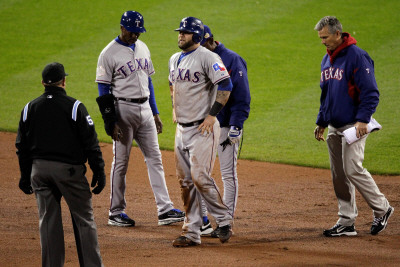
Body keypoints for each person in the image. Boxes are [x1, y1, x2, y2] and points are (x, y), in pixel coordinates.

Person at [95, 11, 184, 227]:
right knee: (121, 162)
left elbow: (149, 81)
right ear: (122, 28)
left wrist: (155, 112)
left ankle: (164, 210)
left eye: (138, 32)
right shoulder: (108, 53)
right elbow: (103, 89)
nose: (135, 36)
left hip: (145, 108)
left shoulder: (142, 47)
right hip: (122, 109)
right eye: (132, 32)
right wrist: (110, 121)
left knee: (155, 158)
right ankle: (115, 212)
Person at [16, 62, 105, 266]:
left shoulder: (29, 108)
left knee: (48, 222)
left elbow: (22, 146)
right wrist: (98, 170)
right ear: (63, 81)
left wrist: (24, 175)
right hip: (69, 173)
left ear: (43, 83)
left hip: (39, 171)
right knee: (84, 220)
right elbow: (91, 143)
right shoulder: (74, 107)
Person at [313, 16, 393, 237]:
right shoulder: (326, 59)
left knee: (352, 168)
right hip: (334, 125)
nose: (322, 41)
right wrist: (321, 121)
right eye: (320, 37)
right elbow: (326, 95)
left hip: (353, 125)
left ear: (338, 34)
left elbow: (370, 92)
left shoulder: (358, 57)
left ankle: (382, 208)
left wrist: (363, 120)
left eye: (325, 37)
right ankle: (346, 221)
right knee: (339, 174)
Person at [169, 16, 234, 247]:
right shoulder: (174, 59)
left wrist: (212, 115)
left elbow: (226, 85)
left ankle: (224, 220)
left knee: (200, 178)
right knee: (185, 182)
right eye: (180, 32)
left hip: (202, 128)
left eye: (185, 33)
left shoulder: (209, 57)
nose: (180, 35)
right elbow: (172, 84)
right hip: (181, 129)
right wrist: (175, 106)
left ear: (196, 36)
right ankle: (191, 232)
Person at [199, 25, 251, 237]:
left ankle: (225, 222)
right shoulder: (198, 58)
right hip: (206, 125)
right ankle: (204, 217)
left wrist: (237, 125)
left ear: (209, 41)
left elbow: (242, 96)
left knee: (228, 175)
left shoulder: (232, 60)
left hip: (228, 124)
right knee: (200, 173)